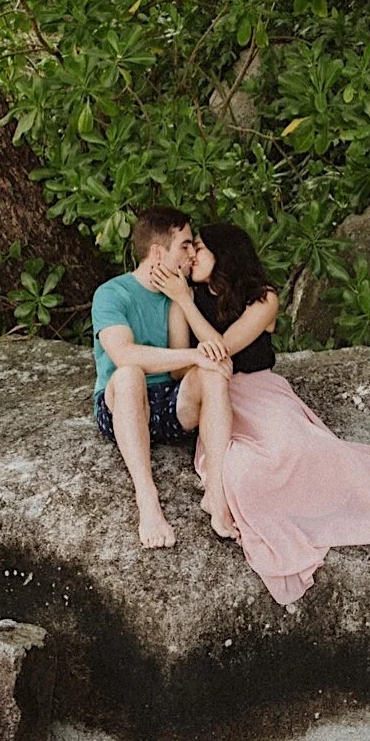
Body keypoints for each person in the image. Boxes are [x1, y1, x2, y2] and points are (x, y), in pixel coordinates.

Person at [150, 222, 370, 605]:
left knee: (303, 451)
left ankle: (336, 503)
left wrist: (187, 304)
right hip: (218, 396)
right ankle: (220, 499)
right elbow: (180, 371)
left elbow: (221, 350)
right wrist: (183, 303)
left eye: (200, 248)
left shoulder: (263, 300)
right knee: (243, 471)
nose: (191, 255)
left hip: (262, 391)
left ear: (225, 254)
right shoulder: (185, 298)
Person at [92, 206, 239, 549]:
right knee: (129, 375)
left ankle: (216, 494)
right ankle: (148, 500)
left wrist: (183, 304)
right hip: (121, 405)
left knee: (212, 375)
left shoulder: (177, 295)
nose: (192, 254)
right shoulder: (111, 293)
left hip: (168, 407)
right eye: (185, 245)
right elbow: (124, 354)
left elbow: (177, 372)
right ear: (158, 253)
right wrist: (195, 355)